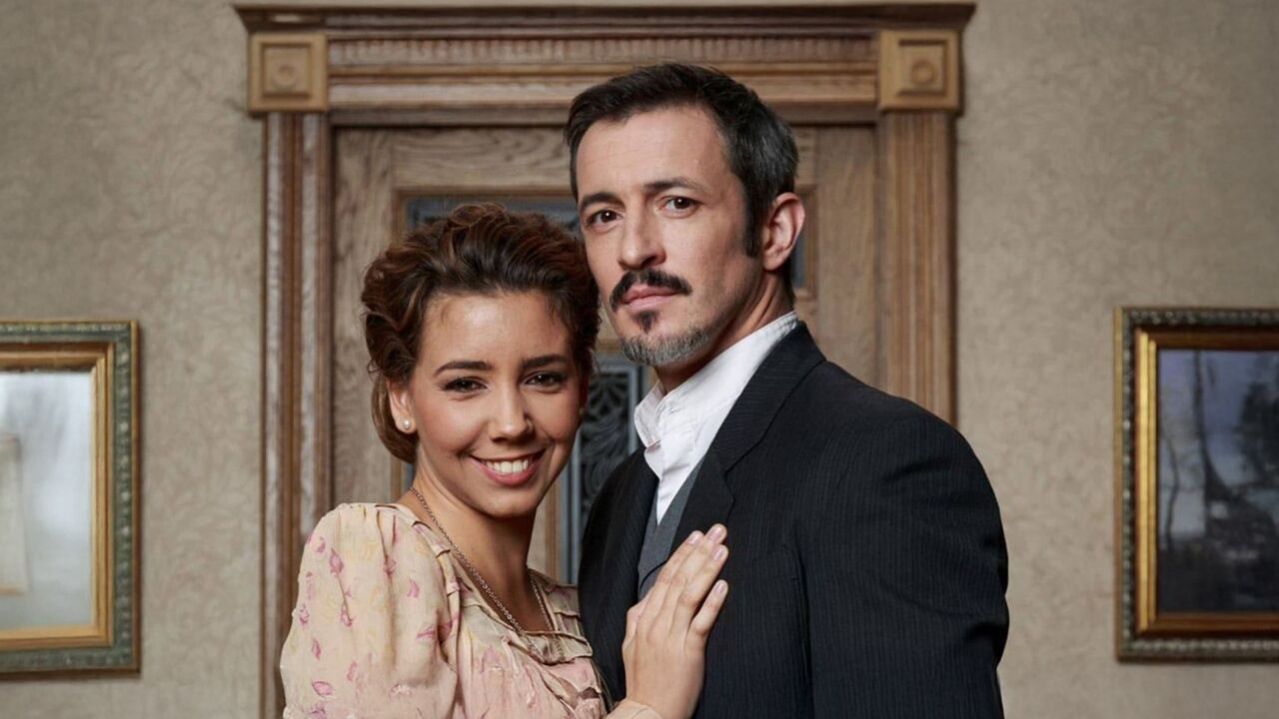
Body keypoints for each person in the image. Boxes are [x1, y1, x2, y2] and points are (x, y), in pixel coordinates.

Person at [568, 63, 1010, 717]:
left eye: (676, 203)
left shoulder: (885, 461)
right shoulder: (621, 495)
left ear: (774, 231)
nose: (633, 249)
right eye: (604, 215)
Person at [279, 204, 731, 719]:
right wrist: (650, 707)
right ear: (401, 397)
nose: (512, 423)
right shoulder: (373, 556)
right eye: (465, 384)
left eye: (543, 378)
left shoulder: (577, 612)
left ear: (582, 389)